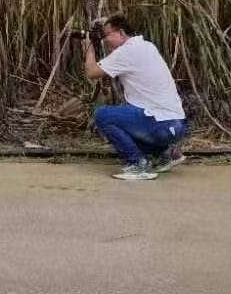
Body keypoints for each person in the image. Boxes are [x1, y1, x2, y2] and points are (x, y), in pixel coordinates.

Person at [81, 15, 188, 181]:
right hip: (177, 125)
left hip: (161, 125)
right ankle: (166, 154)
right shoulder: (146, 46)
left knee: (103, 115)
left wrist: (88, 48)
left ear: (122, 33)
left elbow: (92, 73)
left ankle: (137, 164)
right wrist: (108, 21)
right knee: (128, 122)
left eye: (108, 35)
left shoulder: (126, 52)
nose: (105, 40)